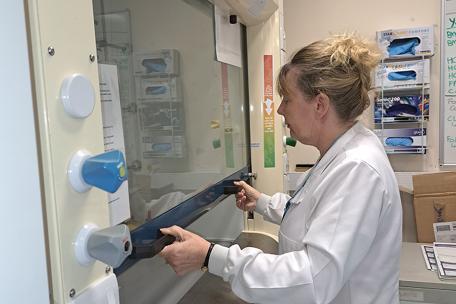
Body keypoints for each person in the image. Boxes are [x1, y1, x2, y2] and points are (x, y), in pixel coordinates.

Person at [159, 33, 402, 304]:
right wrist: (262, 203)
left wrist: (209, 256)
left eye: (287, 98)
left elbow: (311, 280)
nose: (280, 110)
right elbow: (316, 213)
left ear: (320, 104)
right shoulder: (343, 152)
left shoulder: (357, 169)